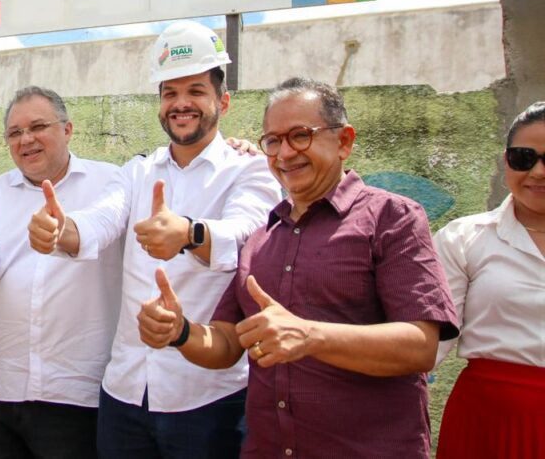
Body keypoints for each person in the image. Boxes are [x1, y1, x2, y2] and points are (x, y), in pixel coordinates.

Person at [139, 77, 459, 458]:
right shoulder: (261, 239)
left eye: (300, 136)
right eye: (272, 141)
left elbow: (421, 346)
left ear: (344, 142)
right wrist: (180, 332)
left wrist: (310, 336)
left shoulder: (392, 218)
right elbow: (226, 343)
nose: (285, 153)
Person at [28, 20, 281, 458]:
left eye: (195, 91)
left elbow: (247, 235)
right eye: (170, 93)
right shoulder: (138, 172)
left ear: (223, 101)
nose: (181, 104)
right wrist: (60, 230)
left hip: (208, 398)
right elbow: (102, 219)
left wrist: (189, 233)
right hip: (125, 395)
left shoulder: (251, 170)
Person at [0, 86, 123, 458]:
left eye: (38, 126)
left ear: (68, 129)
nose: (25, 139)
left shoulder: (111, 181)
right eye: (14, 132)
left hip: (78, 393)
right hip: (3, 390)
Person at [433, 101, 545, 458]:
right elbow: (427, 344)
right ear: (505, 159)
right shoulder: (464, 238)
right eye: (524, 157)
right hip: (489, 422)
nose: (538, 172)